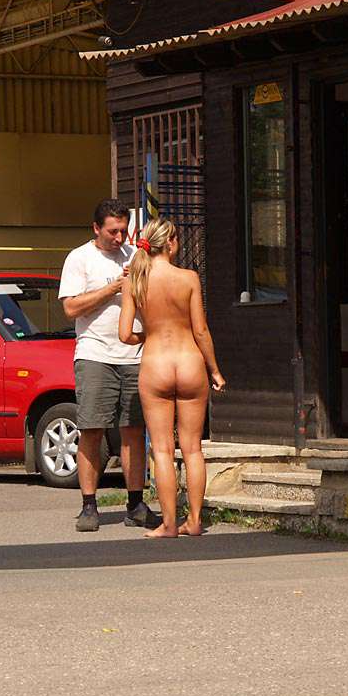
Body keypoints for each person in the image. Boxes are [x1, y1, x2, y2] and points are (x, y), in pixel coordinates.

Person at [118, 218, 226, 538]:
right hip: (190, 362)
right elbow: (200, 330)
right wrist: (215, 370)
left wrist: (148, 336)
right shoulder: (189, 278)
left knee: (163, 449)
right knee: (192, 449)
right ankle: (194, 520)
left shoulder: (134, 281)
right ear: (171, 242)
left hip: (156, 365)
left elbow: (124, 334)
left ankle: (168, 524)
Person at [59, 200, 161, 532]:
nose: (119, 238)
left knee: (133, 430)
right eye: (112, 231)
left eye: (123, 231)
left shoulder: (135, 256)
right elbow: (71, 308)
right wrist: (114, 288)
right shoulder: (79, 258)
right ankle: (89, 506)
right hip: (95, 354)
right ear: (96, 228)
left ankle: (135, 504)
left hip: (134, 355)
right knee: (92, 429)